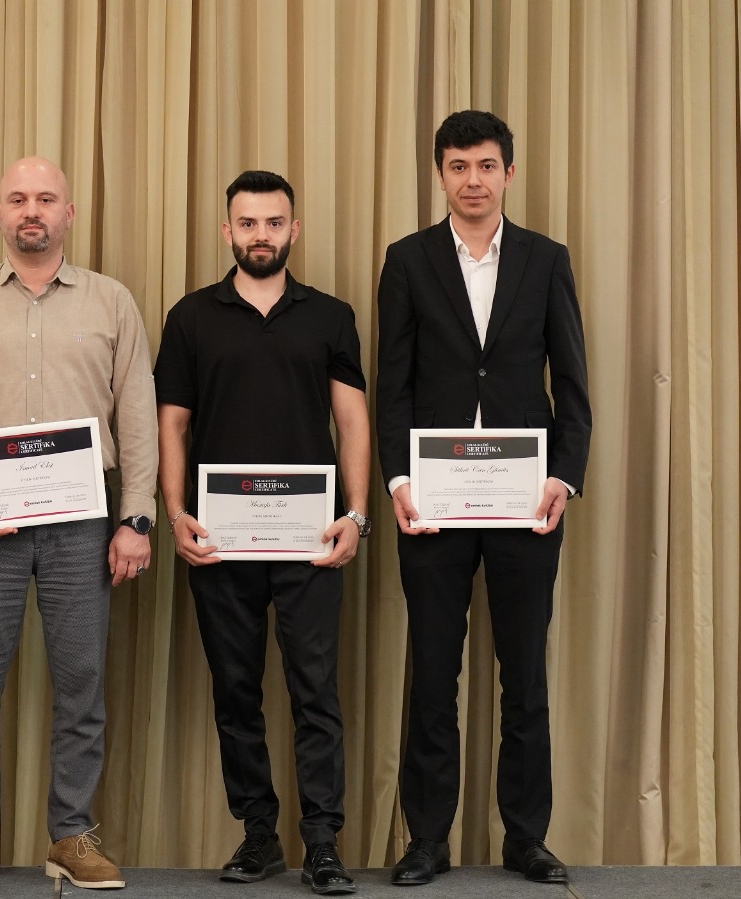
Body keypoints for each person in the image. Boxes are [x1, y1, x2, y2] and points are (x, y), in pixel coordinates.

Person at [0, 156, 157, 893]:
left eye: (46, 198)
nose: (31, 210)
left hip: (84, 525)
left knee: (82, 683)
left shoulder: (112, 302)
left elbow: (138, 420)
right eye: (17, 199)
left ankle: (72, 833)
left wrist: (136, 518)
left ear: (69, 213)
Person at [374, 110, 592, 886]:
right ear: (441, 174)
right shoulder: (407, 261)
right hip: (431, 502)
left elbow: (572, 380)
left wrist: (564, 474)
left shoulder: (545, 259)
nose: (473, 180)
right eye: (459, 166)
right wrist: (397, 479)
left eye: (487, 165)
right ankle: (427, 839)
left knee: (524, 676)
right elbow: (392, 383)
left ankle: (526, 837)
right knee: (434, 673)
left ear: (508, 173)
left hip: (526, 502)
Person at [154, 170, 369, 896]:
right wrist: (176, 513)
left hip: (313, 541)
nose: (261, 235)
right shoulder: (191, 317)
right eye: (247, 223)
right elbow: (172, 425)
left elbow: (352, 422)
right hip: (220, 541)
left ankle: (323, 843)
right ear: (228, 231)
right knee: (235, 690)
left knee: (316, 692)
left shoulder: (331, 316)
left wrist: (357, 514)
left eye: (274, 222)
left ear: (293, 230)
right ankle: (259, 835)